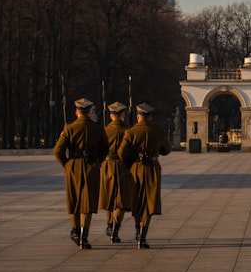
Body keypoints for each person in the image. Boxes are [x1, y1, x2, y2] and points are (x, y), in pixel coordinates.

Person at [53, 98, 108, 250]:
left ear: (76, 112)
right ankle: (84, 236)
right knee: (87, 203)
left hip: (73, 166)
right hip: (91, 166)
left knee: (74, 201)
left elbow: (58, 151)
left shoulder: (69, 128)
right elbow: (105, 149)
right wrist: (98, 162)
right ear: (90, 112)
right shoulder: (97, 128)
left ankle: (76, 230)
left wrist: (67, 164)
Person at [118, 102, 171, 249]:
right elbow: (166, 150)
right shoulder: (158, 131)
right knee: (149, 202)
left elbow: (122, 153)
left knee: (137, 200)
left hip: (136, 168)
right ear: (151, 117)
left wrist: (131, 163)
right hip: (152, 168)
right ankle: (143, 235)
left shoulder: (130, 132)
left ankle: (137, 228)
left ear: (138, 117)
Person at [100, 101, 132, 243]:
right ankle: (116, 229)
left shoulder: (104, 131)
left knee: (109, 198)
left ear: (111, 115)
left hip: (107, 165)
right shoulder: (128, 131)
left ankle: (109, 224)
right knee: (121, 200)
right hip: (123, 166)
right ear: (123, 115)